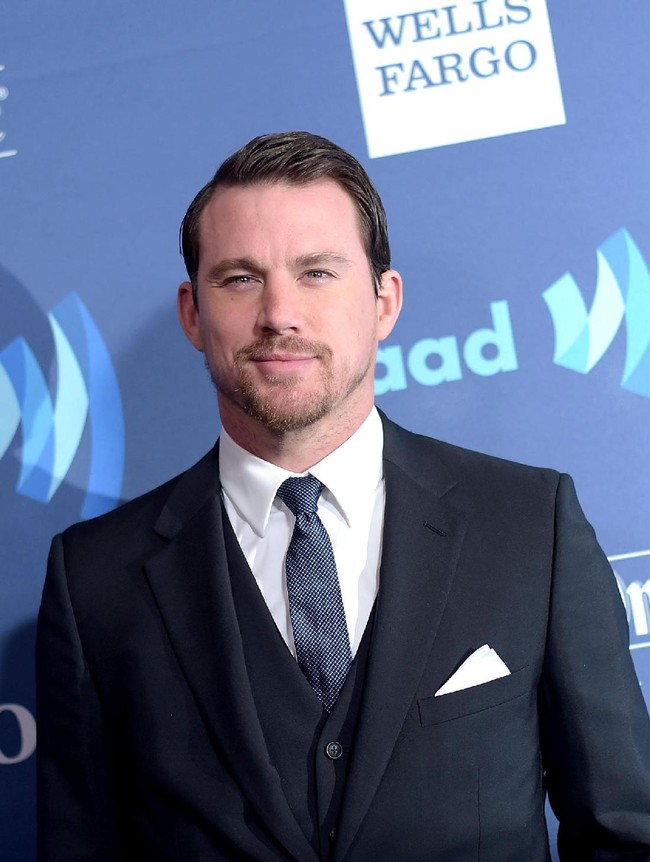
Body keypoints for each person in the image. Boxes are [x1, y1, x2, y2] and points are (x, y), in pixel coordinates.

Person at [37, 131, 650, 862]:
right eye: (239, 278)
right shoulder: (94, 579)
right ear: (193, 314)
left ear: (384, 302)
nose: (280, 314)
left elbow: (625, 833)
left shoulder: (529, 525)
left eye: (318, 272)